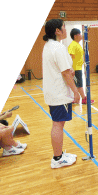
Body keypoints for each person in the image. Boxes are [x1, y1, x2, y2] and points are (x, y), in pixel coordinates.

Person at [42, 19, 81, 169]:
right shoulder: (58, 47)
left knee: (58, 123)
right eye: (64, 27)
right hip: (59, 93)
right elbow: (65, 73)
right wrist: (76, 92)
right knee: (58, 124)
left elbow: (63, 69)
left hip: (53, 92)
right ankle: (57, 158)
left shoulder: (49, 46)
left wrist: (68, 71)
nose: (66, 29)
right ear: (57, 31)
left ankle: (59, 155)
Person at [67, 29, 91, 104]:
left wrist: (87, 31)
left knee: (78, 84)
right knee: (79, 85)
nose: (81, 36)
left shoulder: (77, 44)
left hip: (79, 68)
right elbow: (69, 56)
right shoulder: (73, 45)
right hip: (75, 69)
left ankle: (76, 99)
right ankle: (84, 99)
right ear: (75, 36)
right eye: (80, 34)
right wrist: (71, 68)